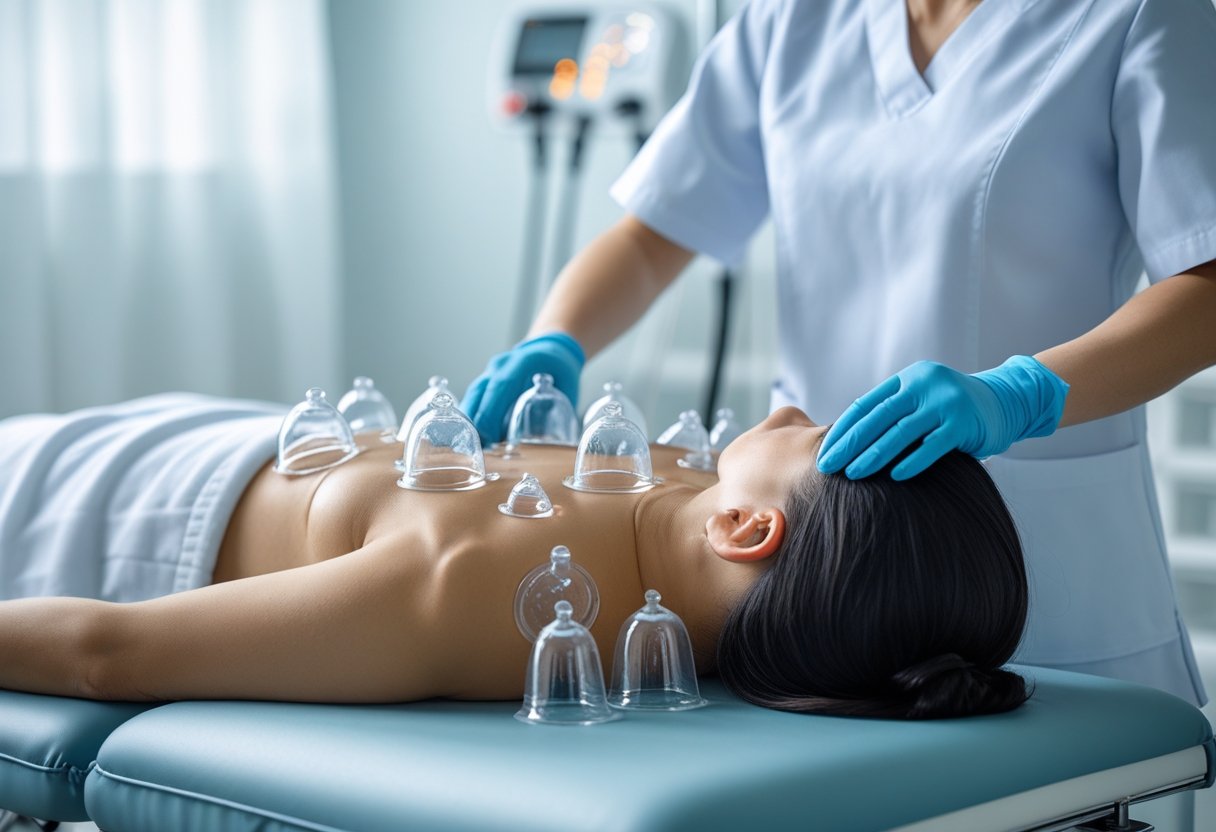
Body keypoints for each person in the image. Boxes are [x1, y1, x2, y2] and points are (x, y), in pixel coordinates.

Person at [462, 0, 1216, 707]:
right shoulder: (793, 19)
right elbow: (654, 231)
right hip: (816, 591)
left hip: (1056, 566)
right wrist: (555, 339)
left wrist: (1023, 392)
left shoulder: (1135, 15)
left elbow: (1206, 281)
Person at [0, 395, 1027, 719]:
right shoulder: (675, 483)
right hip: (221, 430)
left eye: (810, 434)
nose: (792, 407)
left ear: (748, 531)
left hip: (99, 506)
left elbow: (105, 653)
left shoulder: (486, 594)